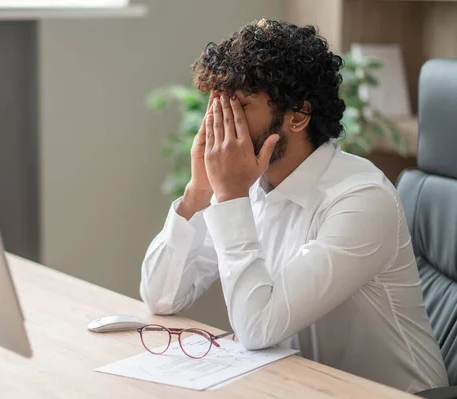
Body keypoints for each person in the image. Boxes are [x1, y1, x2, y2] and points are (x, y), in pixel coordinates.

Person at [139, 19, 448, 393]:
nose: (219, 122)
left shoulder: (360, 199)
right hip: (302, 387)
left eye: (239, 106)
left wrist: (232, 196)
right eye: (217, 104)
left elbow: (257, 328)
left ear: (297, 116)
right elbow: (161, 296)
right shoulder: (250, 184)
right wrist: (197, 192)